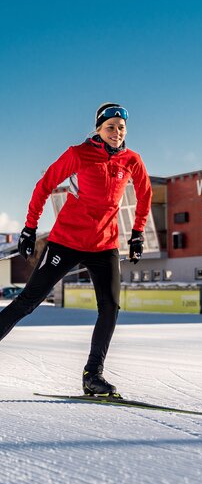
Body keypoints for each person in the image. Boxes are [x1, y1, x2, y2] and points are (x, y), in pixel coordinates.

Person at [0, 103, 152, 396]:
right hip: (66, 241)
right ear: (98, 129)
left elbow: (145, 194)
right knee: (28, 301)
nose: (116, 133)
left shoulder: (132, 160)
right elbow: (44, 186)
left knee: (110, 307)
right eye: (110, 127)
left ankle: (92, 376)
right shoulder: (78, 154)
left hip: (104, 245)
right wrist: (30, 228)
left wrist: (137, 234)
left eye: (121, 128)